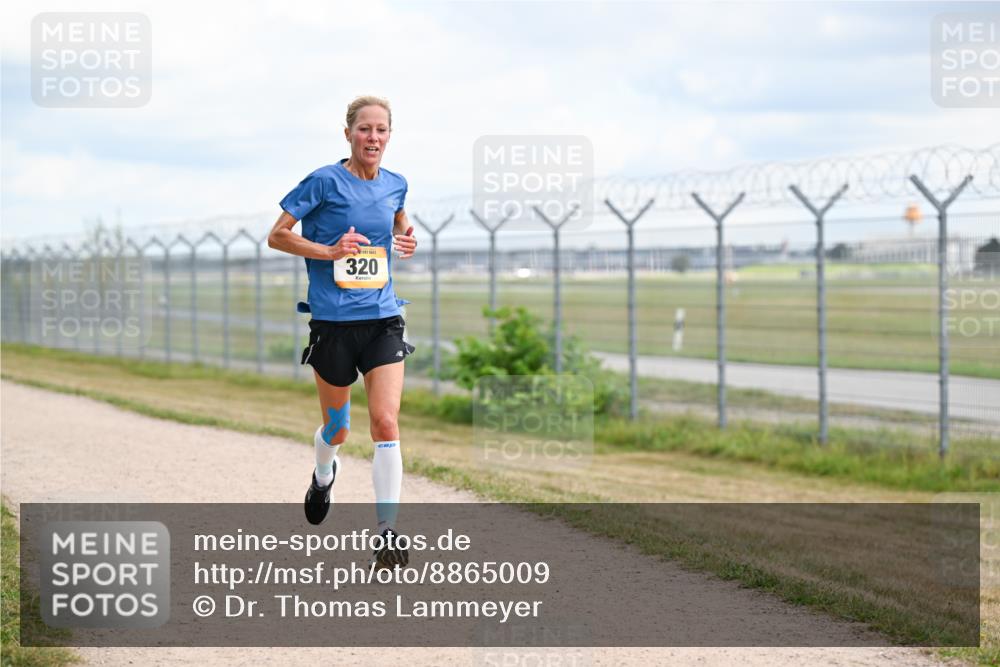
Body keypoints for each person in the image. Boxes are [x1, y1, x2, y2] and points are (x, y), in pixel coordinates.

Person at [267, 95, 416, 569]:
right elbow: (278, 235)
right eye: (365, 129)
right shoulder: (324, 181)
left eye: (381, 130)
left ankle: (388, 532)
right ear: (348, 133)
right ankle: (324, 473)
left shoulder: (396, 184)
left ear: (390, 135)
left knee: (386, 422)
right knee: (339, 428)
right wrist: (328, 251)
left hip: (382, 318)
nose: (373, 138)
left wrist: (407, 237)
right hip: (332, 323)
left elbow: (398, 222)